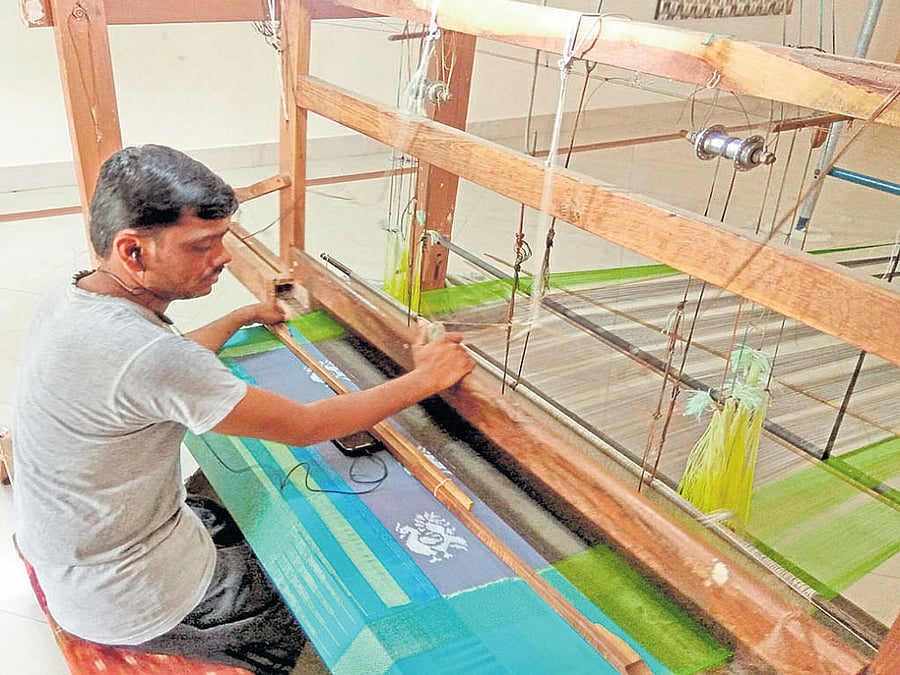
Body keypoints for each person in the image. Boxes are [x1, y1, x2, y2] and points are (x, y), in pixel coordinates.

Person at [12, 144, 474, 674]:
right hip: (129, 600)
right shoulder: (147, 356)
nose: (224, 257)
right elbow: (307, 426)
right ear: (132, 251)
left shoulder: (75, 298)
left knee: (241, 516)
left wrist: (239, 317)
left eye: (224, 239)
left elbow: (171, 363)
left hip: (81, 562)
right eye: (202, 245)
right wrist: (427, 376)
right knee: (329, 615)